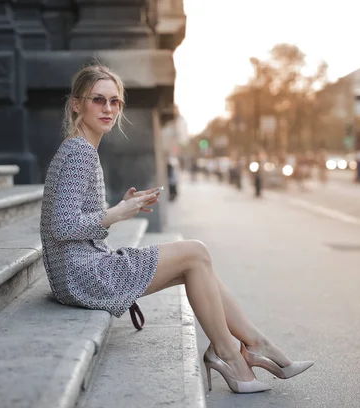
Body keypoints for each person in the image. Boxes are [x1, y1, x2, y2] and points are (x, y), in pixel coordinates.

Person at [39, 64, 313, 394]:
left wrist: (120, 209)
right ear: (77, 104)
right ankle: (235, 352)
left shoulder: (81, 149)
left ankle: (248, 347)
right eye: (99, 100)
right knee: (196, 252)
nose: (108, 109)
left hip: (79, 273)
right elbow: (61, 226)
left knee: (196, 265)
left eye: (115, 102)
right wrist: (115, 213)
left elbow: (72, 219)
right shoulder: (79, 152)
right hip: (84, 276)